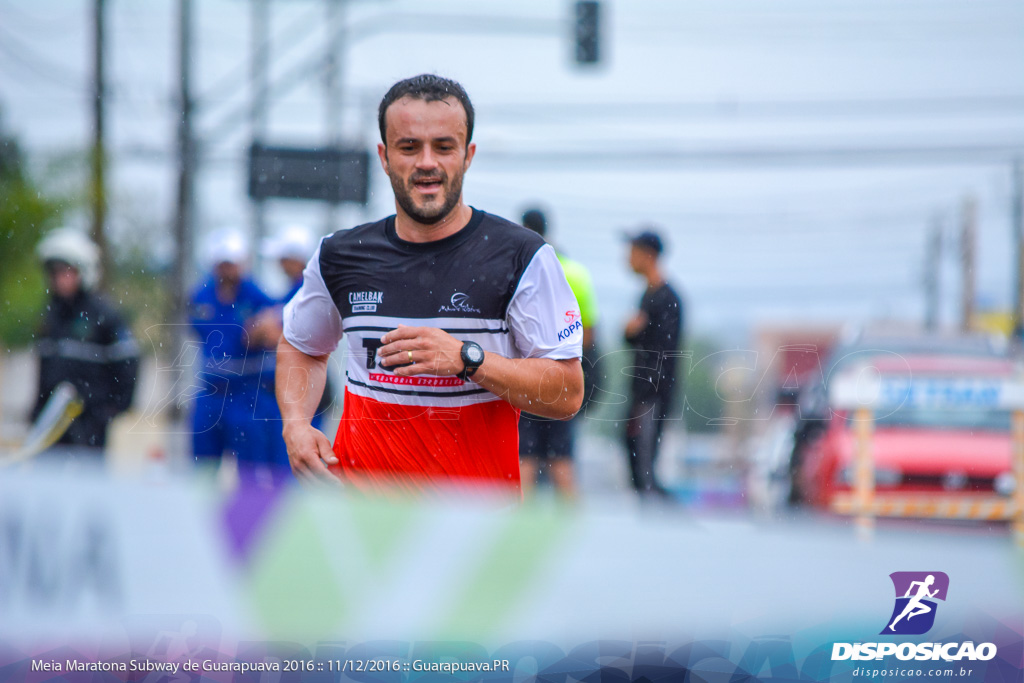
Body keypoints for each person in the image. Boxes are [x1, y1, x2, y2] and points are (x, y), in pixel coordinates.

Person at [276, 74, 584, 497]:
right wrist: (295, 423)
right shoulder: (341, 254)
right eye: (409, 147)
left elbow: (567, 392)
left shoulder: (522, 257)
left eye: (443, 146)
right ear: (384, 157)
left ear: (468, 154)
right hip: (362, 520)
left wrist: (466, 358)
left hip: (476, 531)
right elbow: (300, 346)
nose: (426, 162)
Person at [189, 228, 288, 483]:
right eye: (222, 263)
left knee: (250, 471)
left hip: (248, 394)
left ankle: (247, 517)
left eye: (231, 263)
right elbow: (198, 329)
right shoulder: (201, 297)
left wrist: (264, 330)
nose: (227, 270)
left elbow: (276, 330)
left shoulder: (258, 297)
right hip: (211, 391)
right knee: (202, 469)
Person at [33, 227, 139, 458]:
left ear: (84, 271)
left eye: (67, 271)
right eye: (55, 273)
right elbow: (44, 370)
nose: (61, 279)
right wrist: (37, 412)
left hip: (91, 423)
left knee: (88, 487)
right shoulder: (51, 315)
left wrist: (108, 410)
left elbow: (128, 364)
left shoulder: (105, 314)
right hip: (52, 423)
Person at [517, 207, 599, 500]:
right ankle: (574, 536)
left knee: (524, 458)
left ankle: (517, 534)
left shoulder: (518, 270)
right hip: (562, 378)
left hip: (526, 379)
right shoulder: (575, 273)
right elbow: (588, 335)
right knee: (561, 460)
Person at [623, 227, 683, 498]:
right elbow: (635, 338)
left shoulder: (667, 298)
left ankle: (659, 527)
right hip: (640, 392)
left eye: (632, 252)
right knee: (634, 458)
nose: (627, 258)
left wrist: (635, 331)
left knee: (645, 466)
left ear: (648, 256)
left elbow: (664, 352)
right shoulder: (647, 296)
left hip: (653, 394)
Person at [260, 222, 333, 431]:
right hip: (299, 385)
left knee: (299, 452)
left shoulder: (307, 292)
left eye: (283, 258)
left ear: (296, 259)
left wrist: (268, 329)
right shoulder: (294, 291)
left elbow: (293, 339)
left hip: (306, 387)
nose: (279, 263)